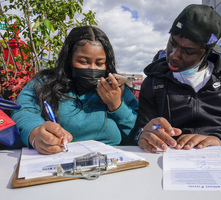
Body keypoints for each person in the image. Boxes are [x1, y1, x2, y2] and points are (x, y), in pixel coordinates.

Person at [133, 4, 221, 153]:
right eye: (172, 43)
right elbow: (140, 130)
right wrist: (146, 133)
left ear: (207, 52)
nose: (174, 55)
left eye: (188, 51)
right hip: (170, 165)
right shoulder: (154, 83)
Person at [11, 26, 139, 155]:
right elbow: (23, 111)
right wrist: (35, 134)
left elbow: (137, 132)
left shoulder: (118, 88)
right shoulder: (44, 83)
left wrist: (116, 106)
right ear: (69, 59)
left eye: (99, 63)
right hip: (59, 162)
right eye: (83, 62)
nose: (92, 68)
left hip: (114, 164)